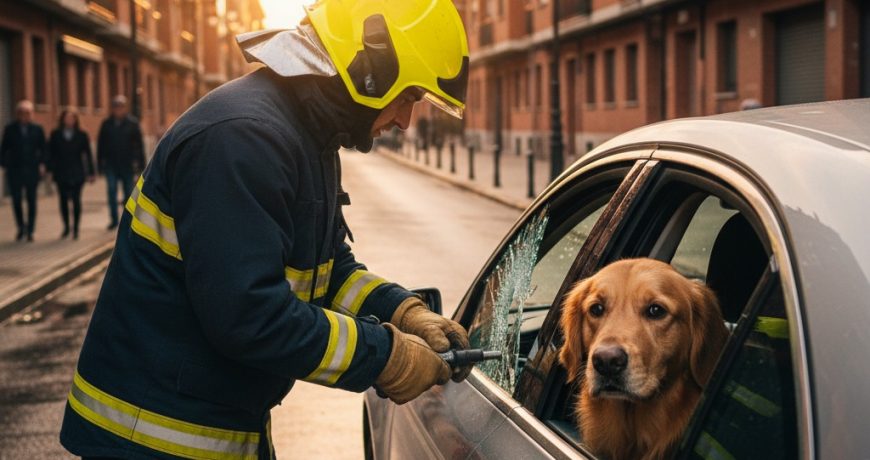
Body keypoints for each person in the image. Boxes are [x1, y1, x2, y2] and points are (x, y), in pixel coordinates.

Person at [60, 1, 471, 458]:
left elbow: (326, 269)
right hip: (152, 439)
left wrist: (402, 311)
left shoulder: (305, 135)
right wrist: (384, 356)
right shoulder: (244, 138)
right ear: (371, 69)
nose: (404, 121)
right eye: (409, 97)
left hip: (217, 425)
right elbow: (250, 316)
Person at [0, 100, 46, 242]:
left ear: (31, 114)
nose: (24, 116)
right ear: (17, 114)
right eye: (22, 113)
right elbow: (3, 149)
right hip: (15, 170)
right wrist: (5, 164)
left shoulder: (37, 129)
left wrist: (43, 164)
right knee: (17, 200)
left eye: (27, 113)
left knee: (32, 200)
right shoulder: (10, 129)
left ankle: (31, 229)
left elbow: (44, 149)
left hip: (32, 170)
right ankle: (21, 227)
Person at [97, 95, 144, 230]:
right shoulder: (106, 124)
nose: (119, 109)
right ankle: (113, 220)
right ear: (113, 109)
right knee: (111, 191)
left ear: (125, 108)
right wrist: (99, 165)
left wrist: (141, 165)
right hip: (111, 164)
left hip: (127, 165)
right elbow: (101, 145)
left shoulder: (132, 123)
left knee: (128, 194)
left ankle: (128, 221)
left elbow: (139, 145)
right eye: (116, 107)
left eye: (121, 107)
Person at [48, 109, 95, 240]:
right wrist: (50, 170)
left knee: (76, 200)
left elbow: (88, 155)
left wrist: (91, 172)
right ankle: (66, 227)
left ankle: (76, 229)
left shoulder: (82, 134)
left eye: (72, 118)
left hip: (77, 172)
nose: (69, 120)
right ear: (62, 119)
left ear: (75, 120)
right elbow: (51, 154)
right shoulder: (55, 134)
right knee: (63, 200)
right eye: (67, 118)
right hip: (61, 172)